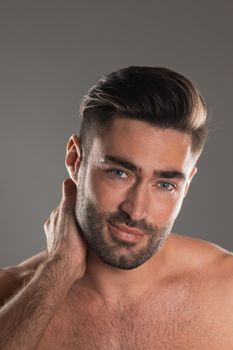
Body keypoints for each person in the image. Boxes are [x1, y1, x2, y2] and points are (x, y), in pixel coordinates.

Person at [0, 66, 232, 349]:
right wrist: (57, 270)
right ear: (75, 159)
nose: (135, 211)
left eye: (165, 184)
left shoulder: (226, 288)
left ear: (186, 185)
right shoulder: (10, 297)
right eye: (119, 173)